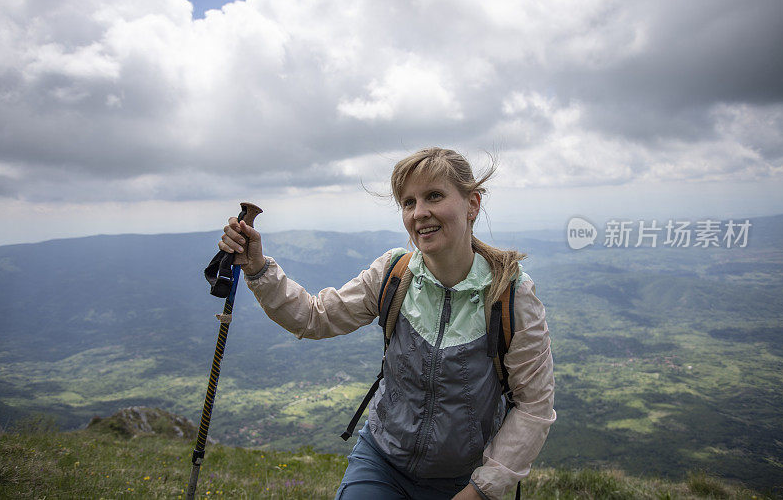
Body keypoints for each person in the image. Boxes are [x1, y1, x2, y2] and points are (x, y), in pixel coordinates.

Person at [218, 148, 555, 500]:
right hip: (383, 461)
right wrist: (257, 269)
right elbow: (315, 317)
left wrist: (483, 488)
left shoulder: (511, 294)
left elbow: (534, 406)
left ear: (472, 204)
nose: (419, 213)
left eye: (434, 196)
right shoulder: (393, 274)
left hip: (468, 477)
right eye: (408, 203)